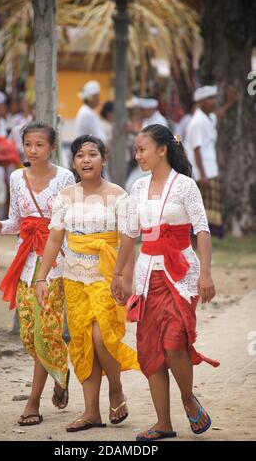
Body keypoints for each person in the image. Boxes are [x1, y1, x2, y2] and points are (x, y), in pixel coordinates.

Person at [111, 124, 220, 441]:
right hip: (148, 278)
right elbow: (130, 235)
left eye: (142, 149)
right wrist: (120, 275)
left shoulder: (186, 186)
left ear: (162, 150)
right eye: (136, 150)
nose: (138, 155)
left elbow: (202, 230)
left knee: (175, 344)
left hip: (181, 275)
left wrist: (206, 273)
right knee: (150, 349)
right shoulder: (138, 188)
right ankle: (163, 423)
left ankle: (188, 398)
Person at [35, 134, 139, 433]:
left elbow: (128, 240)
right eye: (80, 155)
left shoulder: (119, 194)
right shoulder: (65, 196)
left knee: (102, 338)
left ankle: (116, 388)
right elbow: (55, 238)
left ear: (103, 159)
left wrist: (125, 278)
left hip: (109, 277)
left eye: (92, 154)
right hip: (74, 279)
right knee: (82, 343)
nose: (86, 160)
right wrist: (42, 277)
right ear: (74, 162)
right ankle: (91, 411)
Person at [0, 121, 75, 426]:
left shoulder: (66, 178)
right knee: (29, 336)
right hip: (25, 264)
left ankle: (33, 403)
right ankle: (60, 371)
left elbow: (69, 223)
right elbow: (16, 222)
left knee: (46, 331)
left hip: (56, 264)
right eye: (28, 144)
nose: (33, 150)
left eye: (39, 145)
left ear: (52, 147)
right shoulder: (16, 177)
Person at [184, 85, 237, 237]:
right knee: (203, 210)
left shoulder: (207, 118)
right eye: (209, 99)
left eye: (214, 98)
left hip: (210, 170)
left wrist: (229, 103)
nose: (213, 102)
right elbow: (196, 149)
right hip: (204, 172)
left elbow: (216, 115)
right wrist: (202, 174)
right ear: (200, 102)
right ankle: (199, 239)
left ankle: (206, 238)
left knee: (210, 208)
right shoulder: (197, 122)